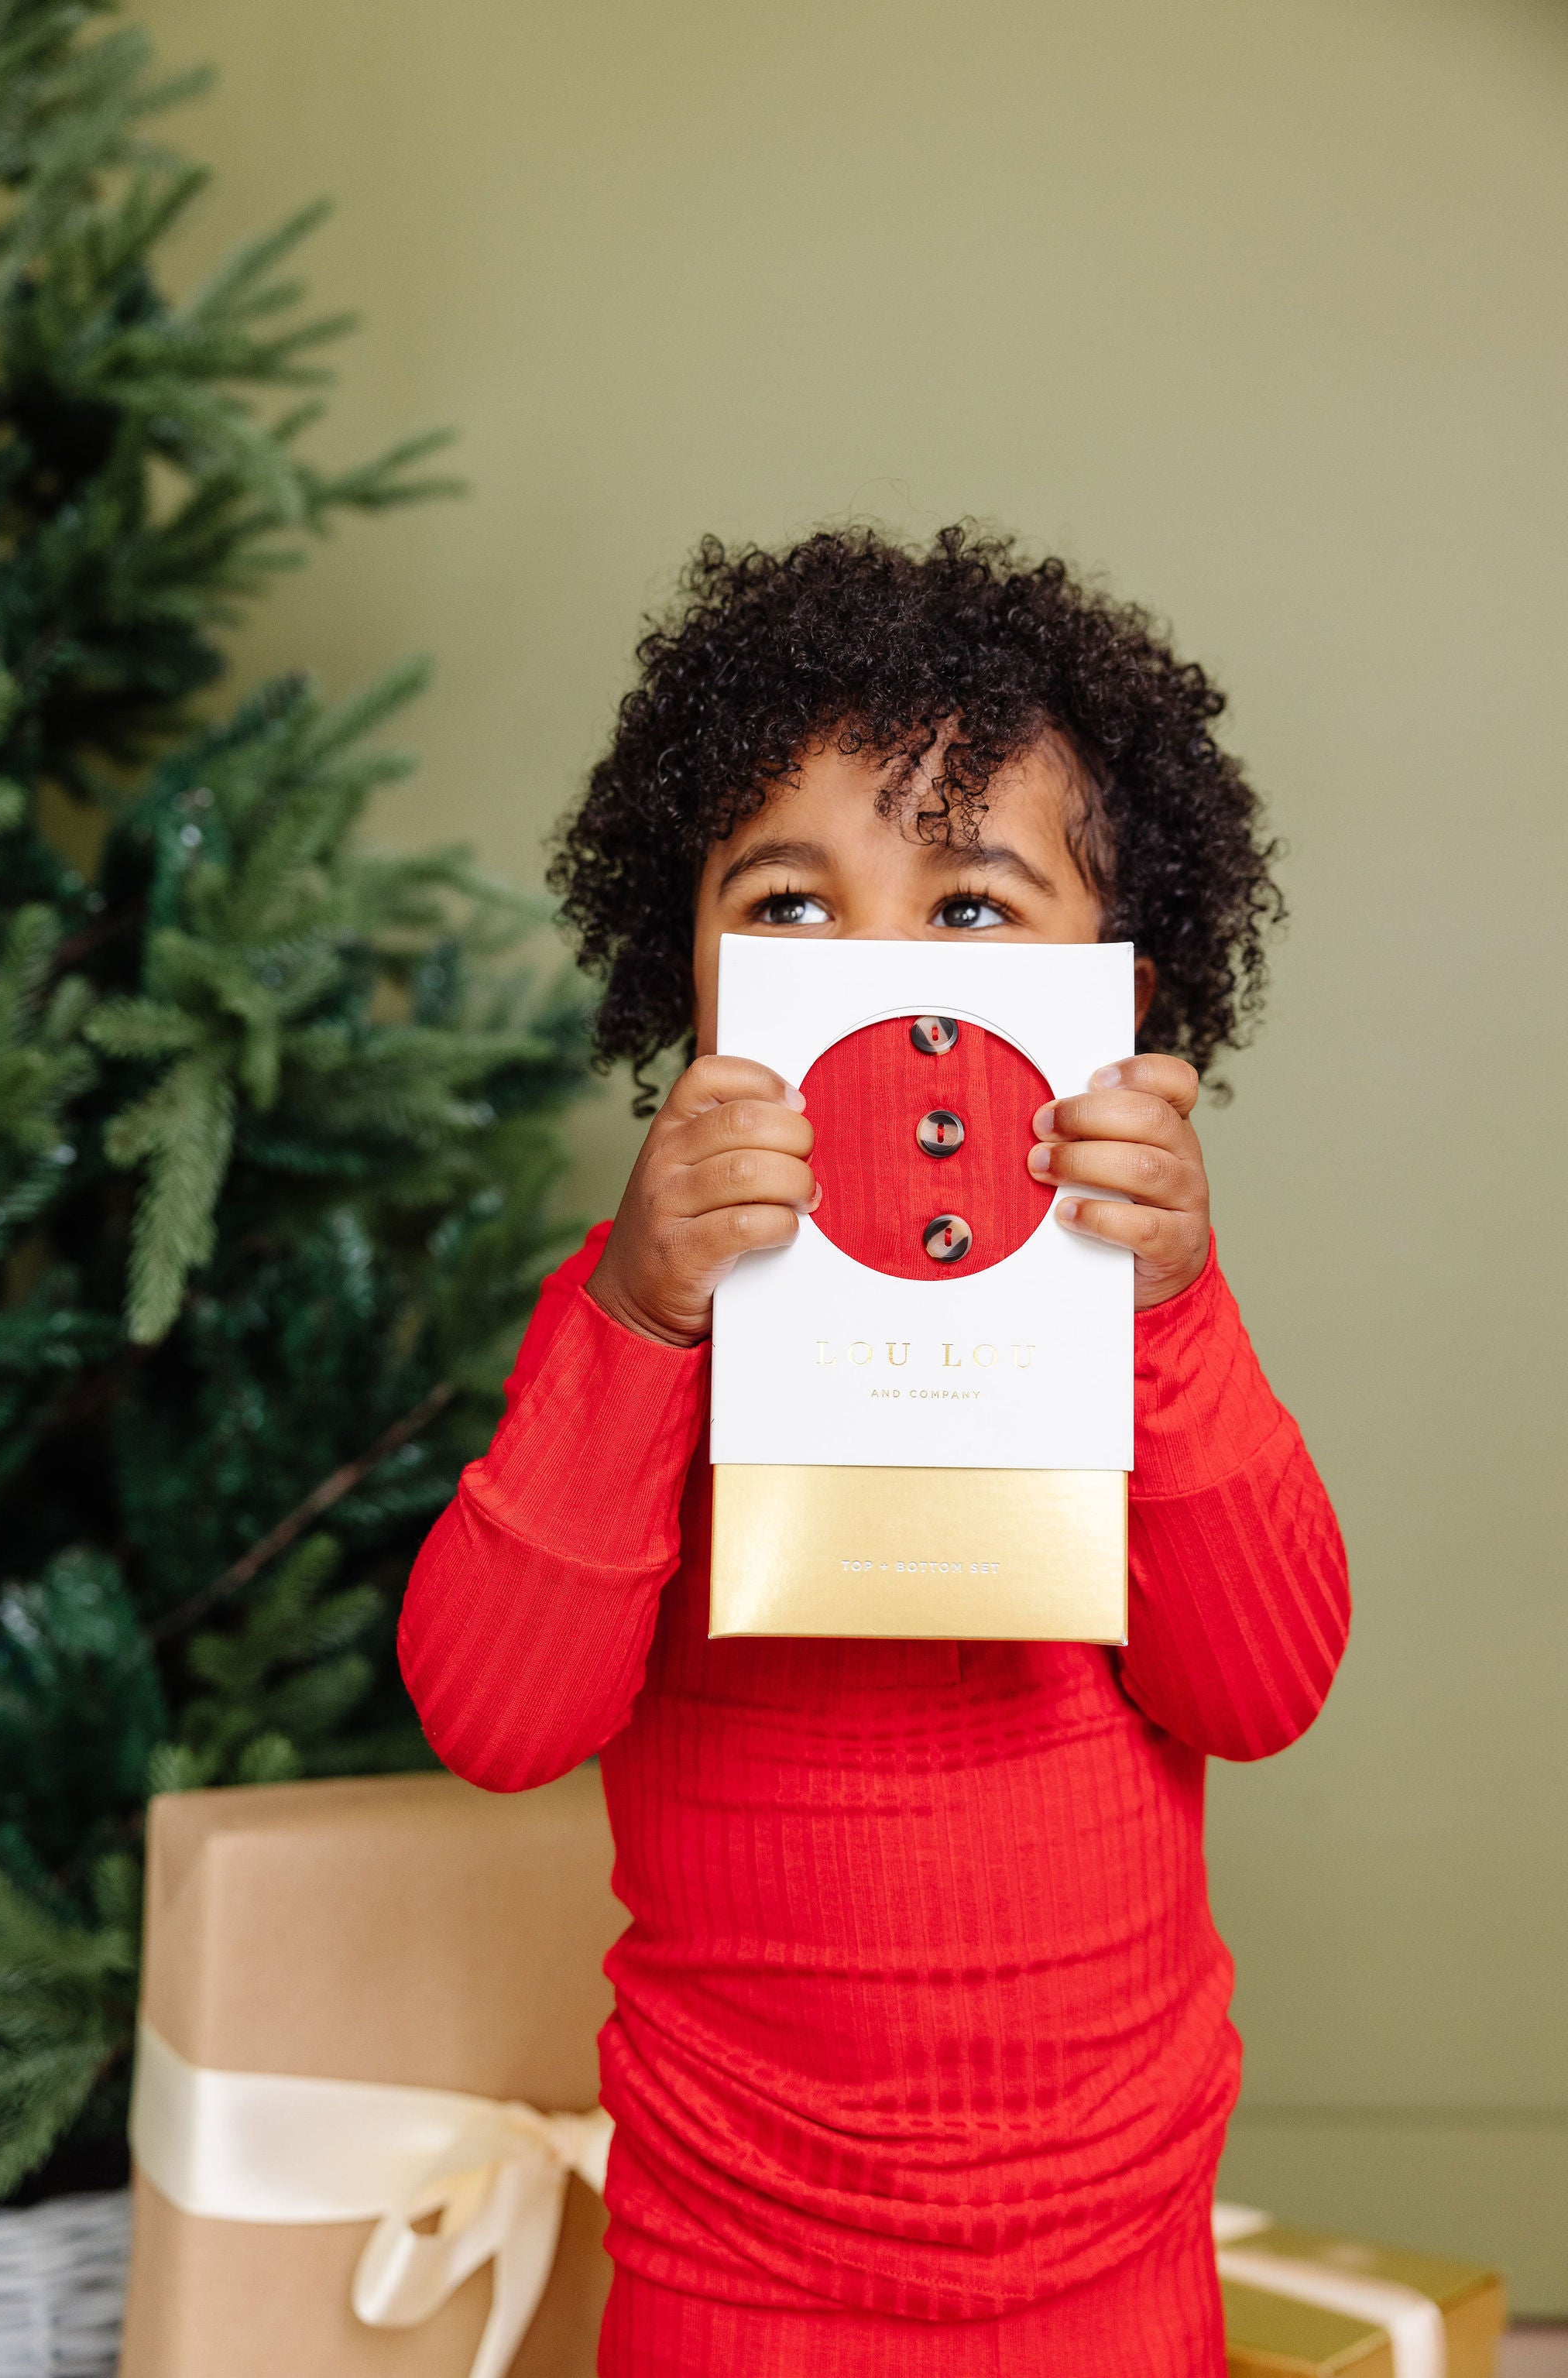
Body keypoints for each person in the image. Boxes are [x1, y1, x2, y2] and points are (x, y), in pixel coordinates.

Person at [400, 527, 1350, 2376]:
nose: (877, 971)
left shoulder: (1134, 1310)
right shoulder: (627, 1310)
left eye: (974, 909)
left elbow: (1261, 1683)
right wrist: (644, 1323)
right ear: (686, 962)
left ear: (1122, 992)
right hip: (735, 2251)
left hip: (1106, 2239)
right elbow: (493, 1719)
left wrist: (1169, 1311)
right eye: (788, 904)